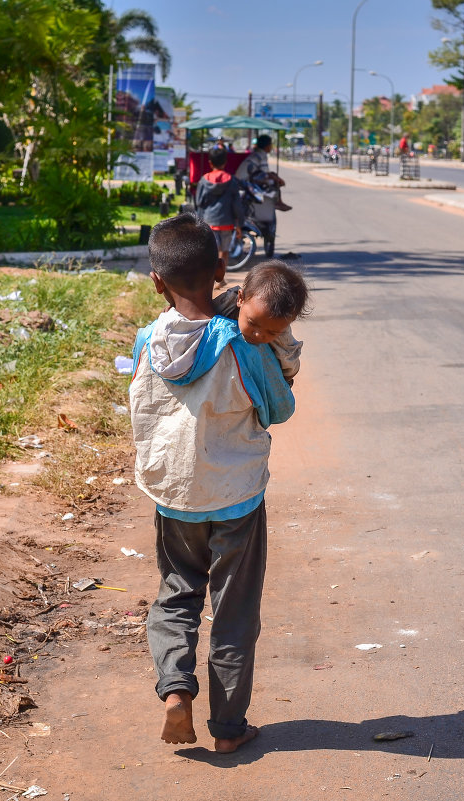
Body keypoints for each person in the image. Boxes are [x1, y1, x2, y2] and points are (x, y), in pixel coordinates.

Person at [130, 213, 309, 754]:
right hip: (235, 500)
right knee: (233, 611)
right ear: (222, 269)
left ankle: (176, 691)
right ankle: (229, 730)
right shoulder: (243, 344)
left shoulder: (148, 340)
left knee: (176, 595)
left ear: (157, 282)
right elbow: (279, 409)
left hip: (174, 499)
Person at [213, 261, 305, 385]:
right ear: (241, 299)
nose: (258, 335)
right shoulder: (226, 304)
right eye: (252, 323)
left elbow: (290, 369)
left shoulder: (283, 338)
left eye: (271, 332)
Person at [194, 146, 244, 275]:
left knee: (210, 252)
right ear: (225, 162)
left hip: (208, 221)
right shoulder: (232, 180)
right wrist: (239, 225)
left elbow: (199, 202)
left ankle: (210, 279)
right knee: (224, 252)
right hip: (226, 222)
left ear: (210, 163)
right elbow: (237, 205)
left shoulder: (204, 181)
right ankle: (221, 278)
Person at [236, 134, 291, 212]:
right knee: (273, 180)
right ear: (267, 146)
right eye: (271, 144)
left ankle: (278, 201)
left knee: (273, 175)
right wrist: (277, 179)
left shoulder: (257, 153)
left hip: (241, 180)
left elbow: (265, 173)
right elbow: (265, 174)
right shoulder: (261, 155)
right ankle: (277, 202)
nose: (271, 147)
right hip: (244, 182)